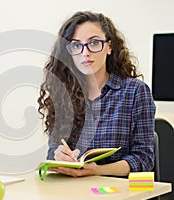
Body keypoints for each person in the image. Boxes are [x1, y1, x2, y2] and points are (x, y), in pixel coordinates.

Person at [37, 11, 156, 178]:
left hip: (118, 192)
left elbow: (144, 159)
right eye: (76, 45)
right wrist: (59, 157)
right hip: (74, 190)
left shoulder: (135, 91)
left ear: (109, 46)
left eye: (93, 43)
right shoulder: (62, 95)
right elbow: (52, 154)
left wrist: (97, 171)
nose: (85, 53)